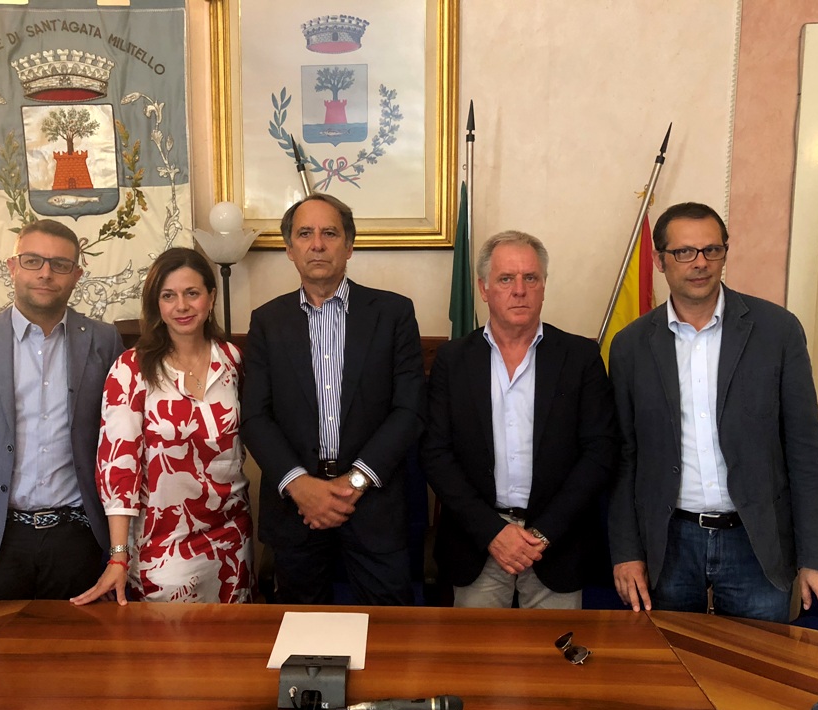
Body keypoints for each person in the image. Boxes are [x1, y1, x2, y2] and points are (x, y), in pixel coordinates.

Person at [608, 201, 818, 635]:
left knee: (756, 667)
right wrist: (626, 552)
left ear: (724, 253)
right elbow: (625, 458)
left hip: (755, 542)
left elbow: (806, 454)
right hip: (669, 543)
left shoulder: (777, 331)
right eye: (684, 252)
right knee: (674, 665)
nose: (700, 263)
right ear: (660, 260)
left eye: (712, 250)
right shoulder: (630, 346)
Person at [240, 192, 426, 605]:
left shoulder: (393, 313)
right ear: (290, 249)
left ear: (349, 245)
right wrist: (299, 485)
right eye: (305, 234)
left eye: (330, 233)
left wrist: (355, 481)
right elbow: (255, 416)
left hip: (374, 504)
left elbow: (410, 410)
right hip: (296, 507)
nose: (317, 245)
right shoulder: (268, 321)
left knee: (387, 630)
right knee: (302, 631)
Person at [422, 230, 618, 608]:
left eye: (531, 278)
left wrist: (543, 534)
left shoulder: (580, 357)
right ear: (483, 289)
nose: (519, 290)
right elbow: (435, 454)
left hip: (557, 546)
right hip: (478, 544)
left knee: (555, 648)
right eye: (506, 279)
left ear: (544, 286)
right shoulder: (453, 360)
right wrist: (492, 533)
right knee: (478, 647)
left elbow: (600, 453)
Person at [0, 219, 124, 600]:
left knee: (75, 637)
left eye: (60, 264)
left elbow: (117, 432)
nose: (46, 273)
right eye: (33, 260)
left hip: (77, 534)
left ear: (77, 275)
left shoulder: (104, 341)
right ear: (13, 266)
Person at [72, 247, 253, 605]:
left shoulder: (232, 360)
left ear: (211, 297)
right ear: (156, 304)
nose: (181, 306)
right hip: (163, 544)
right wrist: (119, 555)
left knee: (232, 638)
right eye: (168, 296)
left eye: (192, 293)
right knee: (165, 641)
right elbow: (118, 466)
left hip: (232, 537)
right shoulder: (131, 369)